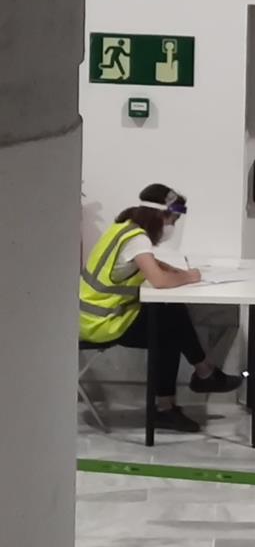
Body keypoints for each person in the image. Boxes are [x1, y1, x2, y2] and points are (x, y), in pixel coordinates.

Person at [78, 185, 241, 433]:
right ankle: (178, 397)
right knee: (167, 331)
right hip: (101, 324)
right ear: (160, 215)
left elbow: (149, 263)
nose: (172, 226)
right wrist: (189, 277)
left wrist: (175, 270)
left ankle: (201, 376)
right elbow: (160, 281)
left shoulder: (124, 227)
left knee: (170, 314)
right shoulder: (137, 239)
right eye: (172, 219)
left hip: (91, 317)